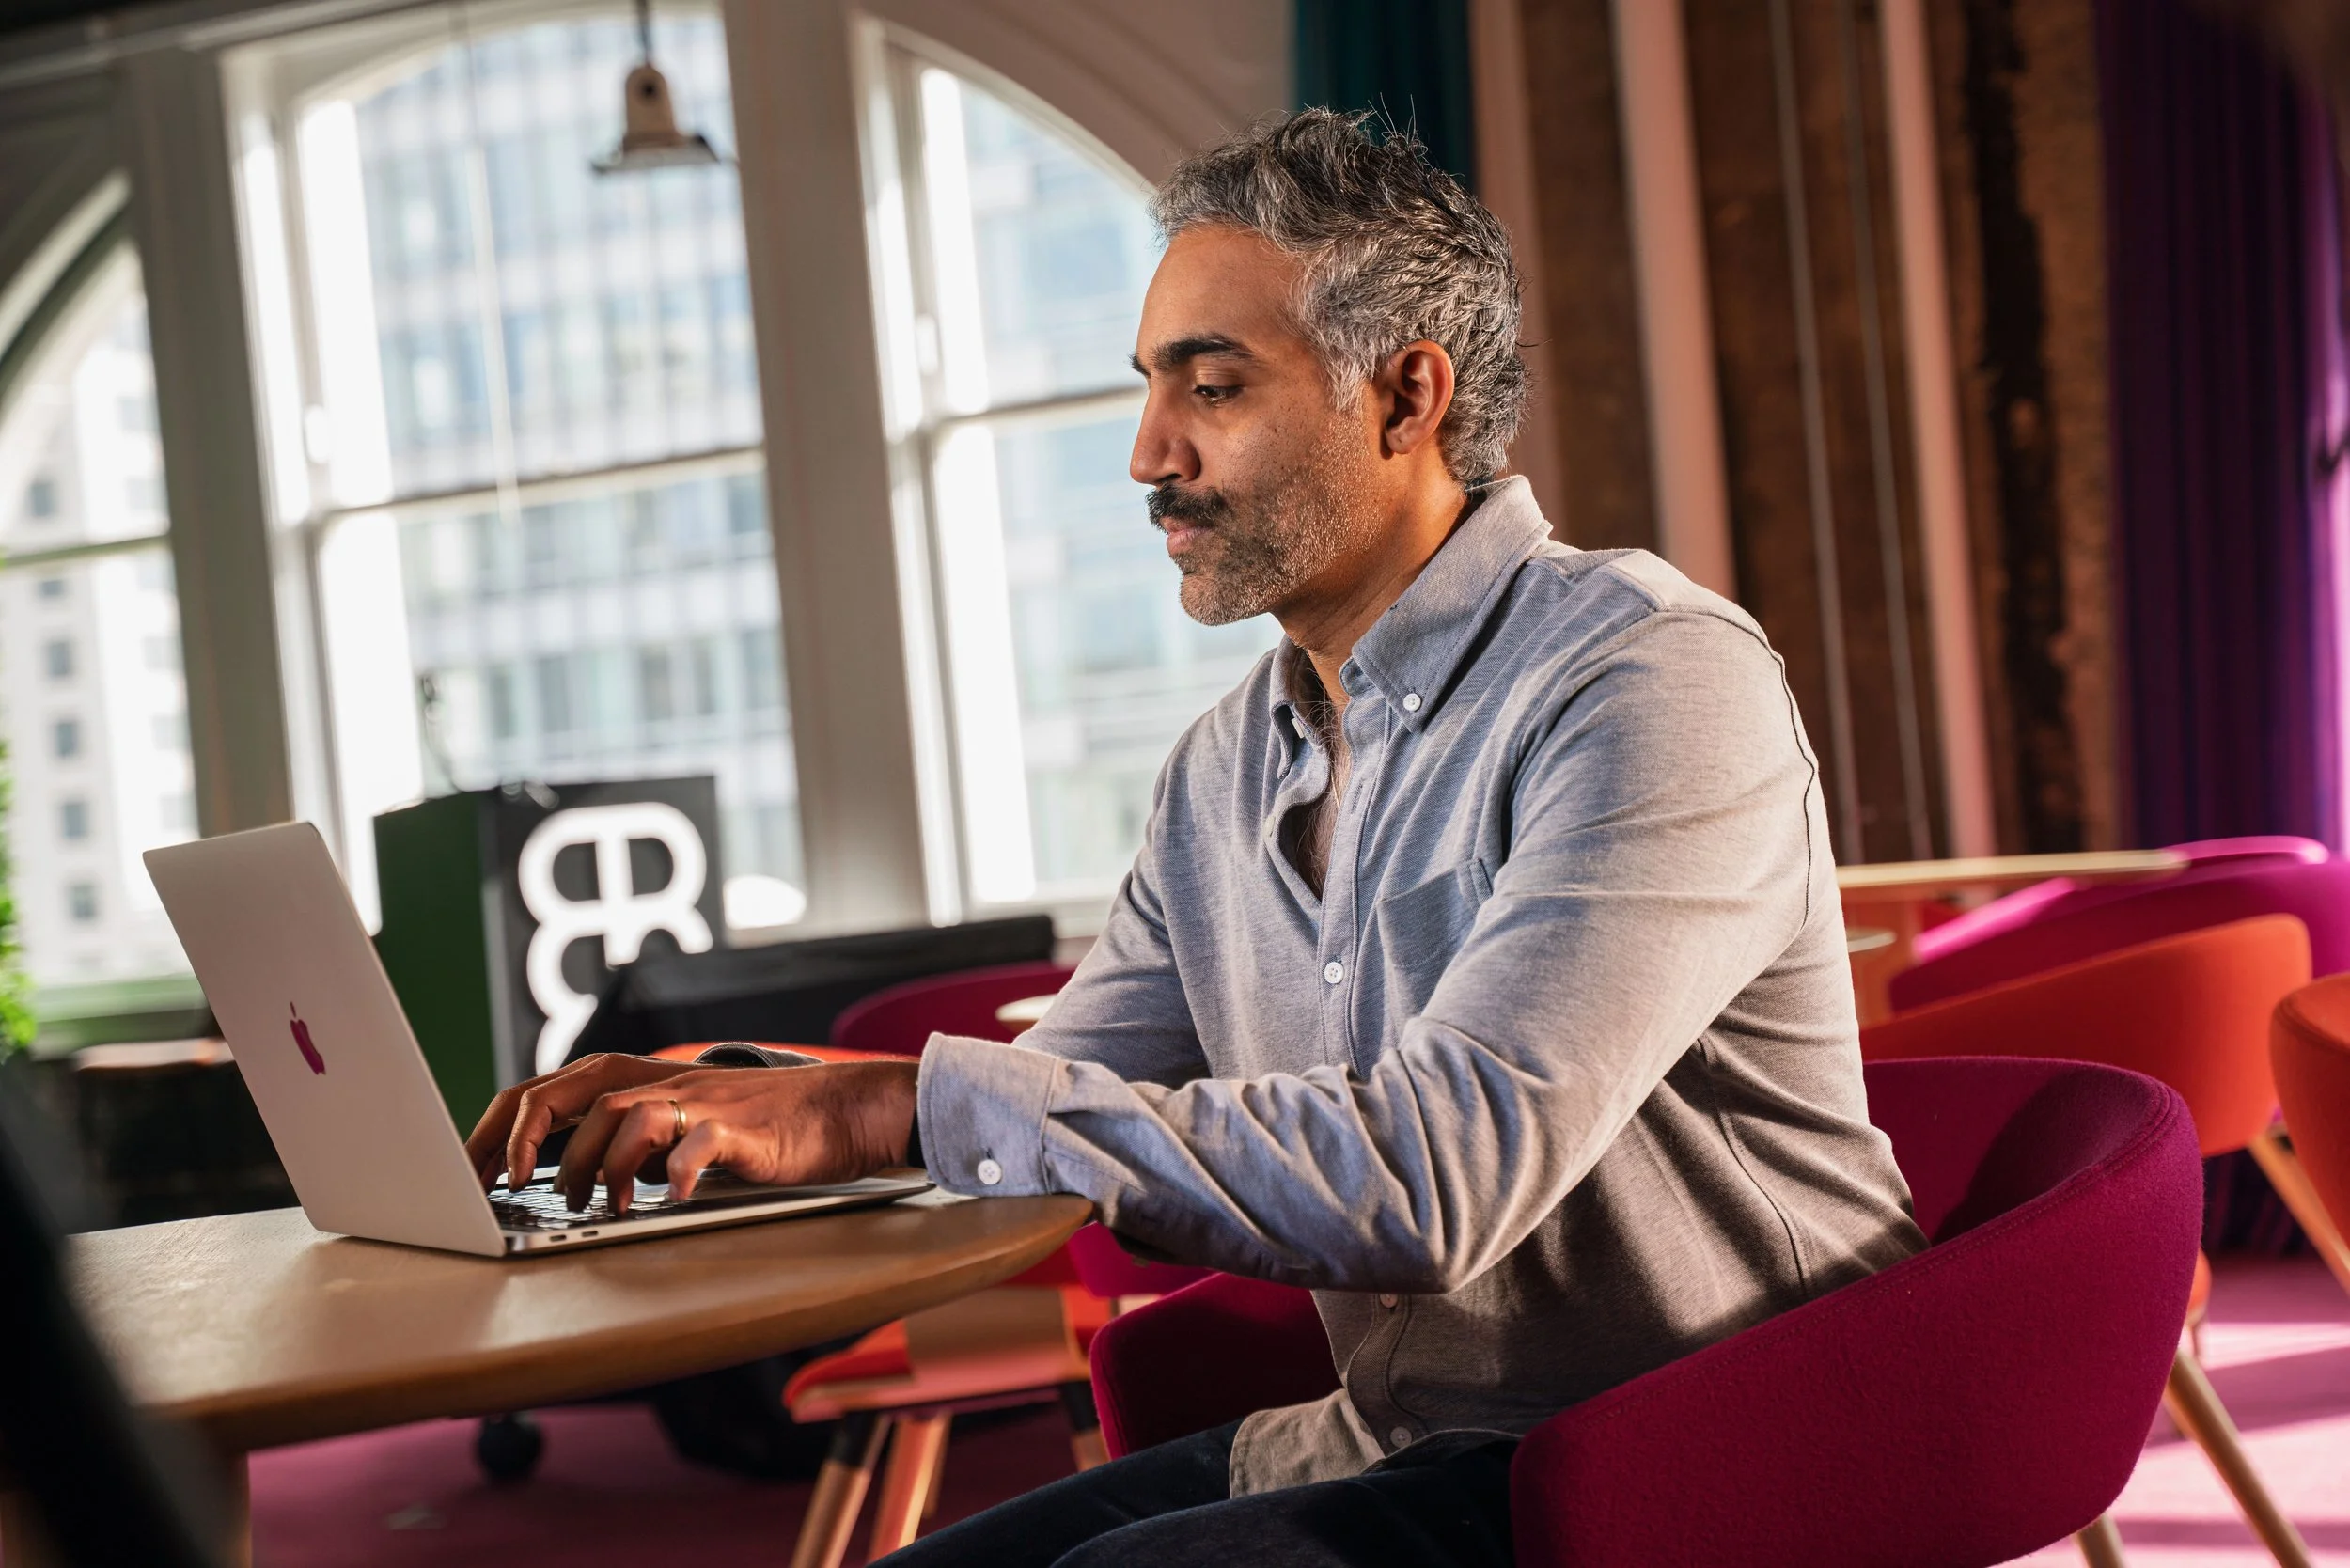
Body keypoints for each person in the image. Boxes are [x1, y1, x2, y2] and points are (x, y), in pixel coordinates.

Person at [464, 109, 1925, 1566]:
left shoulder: (1650, 676)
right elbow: (1052, 1092)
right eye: (1151, 393)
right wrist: (740, 1098)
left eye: (1211, 389)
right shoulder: (1225, 765)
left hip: (1712, 1449)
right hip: (1404, 1444)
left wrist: (879, 1110)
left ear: (1406, 398)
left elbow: (1440, 1179)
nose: (1148, 456)